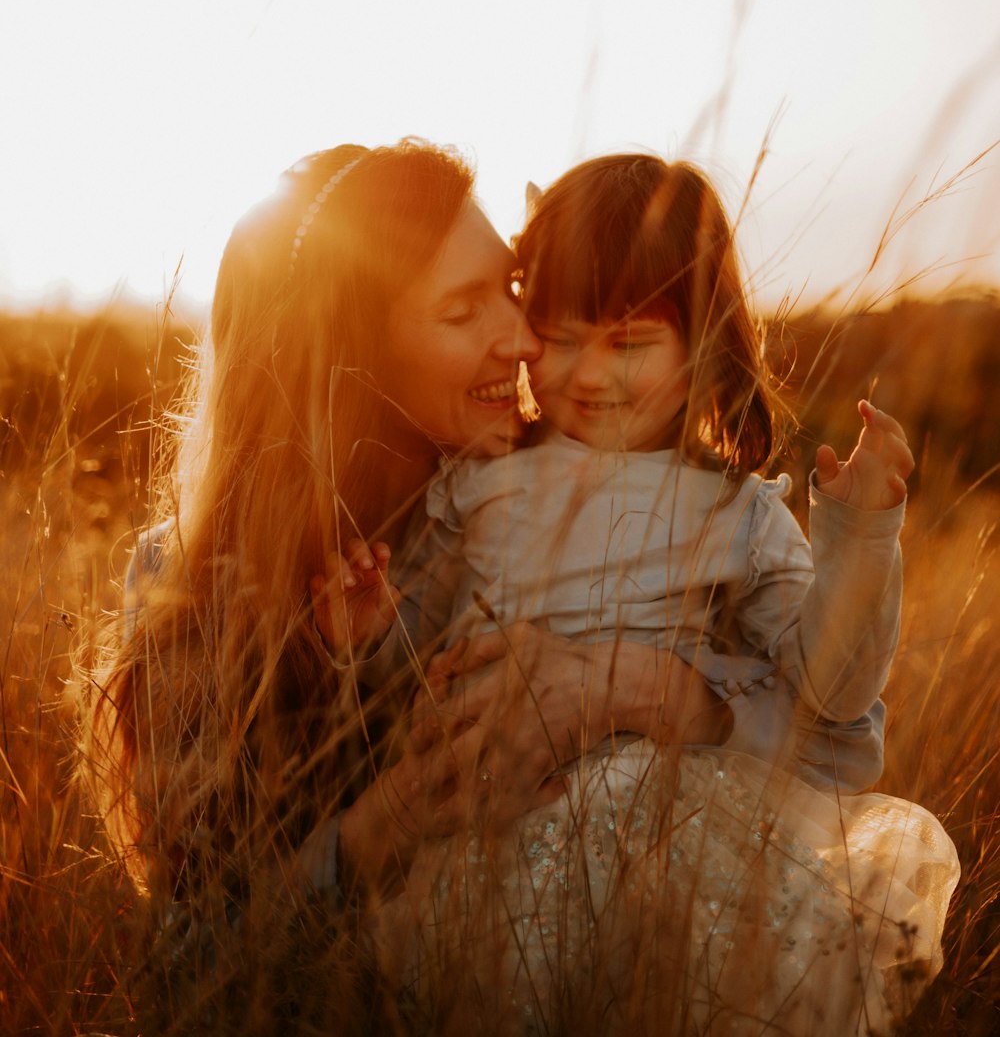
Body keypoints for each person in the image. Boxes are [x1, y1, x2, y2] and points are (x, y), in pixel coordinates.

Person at [87, 140, 747, 1025]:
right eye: (462, 310)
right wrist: (377, 832)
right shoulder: (185, 583)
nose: (521, 339)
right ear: (351, 351)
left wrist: (647, 688)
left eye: (511, 291)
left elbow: (813, 735)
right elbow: (189, 966)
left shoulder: (559, 507)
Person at [374, 153, 960, 1036]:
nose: (587, 375)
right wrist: (365, 633)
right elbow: (406, 661)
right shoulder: (481, 480)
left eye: (631, 343)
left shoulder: (737, 510)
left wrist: (862, 543)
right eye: (561, 336)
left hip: (670, 834)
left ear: (704, 344)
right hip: (493, 830)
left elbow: (833, 708)